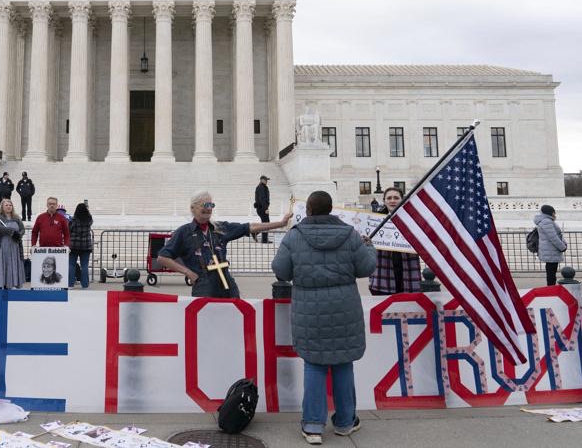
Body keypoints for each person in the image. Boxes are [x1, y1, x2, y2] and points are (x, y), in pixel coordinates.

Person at [271, 190, 376, 444]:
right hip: (344, 306)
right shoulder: (350, 234)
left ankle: (313, 426)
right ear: (331, 210)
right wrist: (368, 247)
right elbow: (366, 268)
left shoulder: (295, 236)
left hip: (309, 308)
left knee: (315, 365)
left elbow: (281, 271)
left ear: (308, 210)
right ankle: (345, 422)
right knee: (343, 363)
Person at [156, 191, 292, 298]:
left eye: (211, 205)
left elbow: (250, 227)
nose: (209, 209)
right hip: (203, 285)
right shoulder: (183, 232)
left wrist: (280, 223)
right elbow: (162, 257)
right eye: (205, 205)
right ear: (193, 208)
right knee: (206, 325)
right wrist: (188, 273)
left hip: (226, 283)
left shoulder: (219, 228)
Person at [368, 187, 421, 295]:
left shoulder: (413, 219)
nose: (392, 200)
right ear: (384, 201)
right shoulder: (373, 220)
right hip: (382, 277)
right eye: (389, 198)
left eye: (396, 198)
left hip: (408, 274)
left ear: (402, 200)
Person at [0, 198, 24, 289]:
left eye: (10, 205)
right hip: (2, 246)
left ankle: (9, 283)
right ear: (2, 207)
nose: (8, 207)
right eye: (6, 205)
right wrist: (11, 231)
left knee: (11, 263)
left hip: (14, 246)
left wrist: (19, 234)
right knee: (1, 263)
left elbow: (22, 229)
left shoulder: (16, 218)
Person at [534, 204, 567, 286]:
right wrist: (562, 247)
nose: (554, 214)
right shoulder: (547, 221)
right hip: (551, 250)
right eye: (553, 212)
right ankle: (551, 288)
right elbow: (553, 237)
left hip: (549, 250)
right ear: (551, 212)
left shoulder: (545, 221)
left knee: (551, 271)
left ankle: (551, 287)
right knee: (551, 272)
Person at [68, 202, 94, 289]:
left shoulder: (72, 220)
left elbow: (69, 230)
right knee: (85, 265)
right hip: (86, 246)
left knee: (71, 265)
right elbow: (90, 220)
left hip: (74, 245)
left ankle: (70, 284)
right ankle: (85, 285)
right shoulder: (89, 220)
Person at [253, 175, 271, 243]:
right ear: (261, 180)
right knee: (266, 223)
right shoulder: (261, 187)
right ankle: (263, 239)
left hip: (261, 208)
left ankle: (257, 234)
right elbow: (262, 198)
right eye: (266, 180)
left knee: (265, 223)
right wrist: (265, 208)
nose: (267, 181)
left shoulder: (262, 187)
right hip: (262, 208)